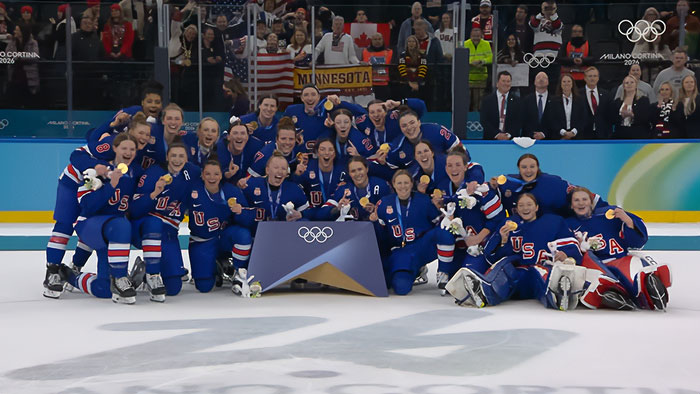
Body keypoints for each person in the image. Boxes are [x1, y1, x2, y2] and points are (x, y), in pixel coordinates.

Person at [41, 112, 151, 300]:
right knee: (65, 225)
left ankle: (75, 269)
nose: (143, 138)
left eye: (147, 135)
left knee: (102, 222)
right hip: (74, 181)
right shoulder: (109, 147)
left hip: (99, 199)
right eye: (140, 133)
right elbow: (77, 154)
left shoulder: (134, 164)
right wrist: (98, 168)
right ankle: (53, 270)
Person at [453, 193, 585, 310]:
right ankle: (483, 293)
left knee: (541, 274)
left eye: (529, 204)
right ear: (516, 209)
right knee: (504, 272)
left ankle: (558, 296)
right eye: (521, 205)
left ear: (537, 207)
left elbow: (571, 244)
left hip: (538, 271)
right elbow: (492, 258)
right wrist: (504, 241)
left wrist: (565, 254)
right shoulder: (508, 224)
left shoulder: (551, 222)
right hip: (518, 274)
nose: (525, 208)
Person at [61, 133, 140, 304]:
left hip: (113, 232)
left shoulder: (135, 174)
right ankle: (119, 278)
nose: (128, 152)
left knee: (104, 290)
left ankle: (71, 276)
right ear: (114, 149)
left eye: (132, 149)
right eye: (124, 148)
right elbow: (87, 203)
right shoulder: (96, 171)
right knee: (121, 224)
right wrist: (110, 185)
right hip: (89, 226)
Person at [566, 187, 671, 310]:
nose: (581, 203)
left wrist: (628, 221)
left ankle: (647, 289)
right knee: (597, 277)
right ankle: (612, 293)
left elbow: (638, 242)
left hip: (620, 260)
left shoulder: (609, 214)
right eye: (576, 200)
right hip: (594, 265)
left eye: (584, 199)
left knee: (633, 274)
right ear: (571, 205)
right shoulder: (567, 224)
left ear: (591, 202)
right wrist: (580, 247)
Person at [130, 141, 201, 298]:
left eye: (181, 156)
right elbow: (134, 209)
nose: (177, 159)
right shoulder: (153, 174)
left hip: (169, 233)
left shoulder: (192, 173)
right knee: (154, 223)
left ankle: (142, 270)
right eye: (173, 155)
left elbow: (211, 177)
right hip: (144, 228)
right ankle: (153, 273)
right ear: (167, 157)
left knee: (173, 288)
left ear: (187, 158)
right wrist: (154, 193)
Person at [371, 170, 454, 295]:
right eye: (399, 183)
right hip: (400, 252)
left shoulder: (424, 200)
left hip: (420, 247)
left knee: (444, 232)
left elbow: (438, 223)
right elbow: (382, 237)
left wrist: (441, 211)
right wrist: (375, 222)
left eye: (406, 182)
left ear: (411, 184)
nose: (403, 186)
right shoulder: (384, 203)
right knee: (401, 288)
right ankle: (416, 271)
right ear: (393, 184)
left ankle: (444, 273)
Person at [432, 148, 504, 289]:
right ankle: (444, 271)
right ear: (445, 168)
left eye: (458, 165)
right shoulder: (444, 190)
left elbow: (498, 219)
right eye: (450, 165)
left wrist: (478, 238)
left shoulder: (480, 189)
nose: (454, 169)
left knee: (469, 278)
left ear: (466, 167)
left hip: (481, 246)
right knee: (441, 231)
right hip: (462, 245)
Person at [186, 160, 257, 296]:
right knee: (204, 286)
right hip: (202, 241)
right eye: (208, 174)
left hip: (224, 237)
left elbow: (249, 219)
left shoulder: (231, 191)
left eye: (216, 174)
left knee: (243, 235)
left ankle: (239, 271)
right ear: (202, 175)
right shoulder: (192, 189)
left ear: (221, 176)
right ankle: (216, 265)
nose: (212, 177)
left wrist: (240, 212)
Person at [491, 153, 606, 218]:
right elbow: (488, 190)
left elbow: (581, 194)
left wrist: (606, 209)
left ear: (538, 167)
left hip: (553, 229)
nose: (528, 171)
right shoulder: (508, 182)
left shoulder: (552, 183)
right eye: (524, 167)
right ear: (518, 168)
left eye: (532, 167)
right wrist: (492, 185)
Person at [242, 152, 309, 234]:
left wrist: (299, 215)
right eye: (276, 167)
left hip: (285, 235)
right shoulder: (251, 185)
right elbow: (241, 212)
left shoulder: (295, 189)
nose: (280, 171)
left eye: (284, 169)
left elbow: (306, 214)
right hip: (257, 235)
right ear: (267, 170)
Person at [319, 156, 391, 222]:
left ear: (367, 169)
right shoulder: (343, 190)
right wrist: (337, 208)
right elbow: (322, 214)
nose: (357, 174)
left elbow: (393, 210)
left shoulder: (382, 185)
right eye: (353, 171)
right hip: (352, 233)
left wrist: (377, 210)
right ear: (349, 173)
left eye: (360, 169)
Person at [386, 110, 461, 169]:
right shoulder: (395, 147)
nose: (409, 127)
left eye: (412, 123)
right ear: (400, 128)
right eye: (404, 125)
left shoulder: (437, 131)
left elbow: (462, 153)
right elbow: (394, 175)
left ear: (419, 122)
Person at [294, 138, 347, 220]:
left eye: (330, 150)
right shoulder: (307, 172)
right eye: (322, 149)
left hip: (336, 216)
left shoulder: (343, 173)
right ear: (317, 153)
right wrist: (297, 175)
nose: (326, 153)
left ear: (335, 153)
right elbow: (295, 193)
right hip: (311, 218)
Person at [529, 1, 563, 91]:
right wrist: (542, 13)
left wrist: (552, 14)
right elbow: (532, 24)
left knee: (553, 82)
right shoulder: (537, 20)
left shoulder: (558, 21)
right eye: (547, 8)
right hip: (539, 56)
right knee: (539, 79)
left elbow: (557, 25)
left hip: (554, 56)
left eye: (552, 8)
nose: (549, 10)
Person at [480, 71, 523, 140]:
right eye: (503, 81)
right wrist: (497, 135)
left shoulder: (517, 101)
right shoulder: (487, 100)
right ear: (497, 83)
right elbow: (484, 120)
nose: (506, 84)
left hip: (511, 140)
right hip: (491, 140)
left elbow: (519, 121)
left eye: (508, 81)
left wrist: (508, 135)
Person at [4, 25, 38, 106]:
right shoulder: (12, 42)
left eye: (17, 30)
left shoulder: (33, 43)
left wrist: (18, 57)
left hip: (28, 77)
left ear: (22, 32)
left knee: (28, 102)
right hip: (13, 75)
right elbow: (6, 55)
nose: (14, 32)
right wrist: (20, 57)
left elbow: (34, 56)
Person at [549, 73, 587, 140]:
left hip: (577, 137)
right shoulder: (553, 101)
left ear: (572, 84)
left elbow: (583, 118)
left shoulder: (580, 100)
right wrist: (564, 133)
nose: (566, 83)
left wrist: (573, 132)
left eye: (569, 81)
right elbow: (552, 119)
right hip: (559, 137)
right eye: (564, 81)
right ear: (560, 84)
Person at [464, 27, 492, 112]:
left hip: (481, 78)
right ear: (470, 36)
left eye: (478, 36)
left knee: (478, 102)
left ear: (481, 36)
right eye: (474, 36)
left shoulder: (486, 44)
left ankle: (477, 119)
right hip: (467, 78)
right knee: (467, 101)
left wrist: (482, 61)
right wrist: (470, 62)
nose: (476, 38)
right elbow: (460, 57)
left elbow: (491, 58)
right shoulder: (465, 44)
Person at [558, 24, 593, 89]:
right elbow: (560, 59)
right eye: (575, 32)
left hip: (585, 79)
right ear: (571, 33)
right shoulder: (565, 44)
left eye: (579, 32)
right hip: (568, 78)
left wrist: (582, 61)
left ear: (583, 33)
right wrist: (572, 60)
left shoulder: (589, 44)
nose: (577, 34)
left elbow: (593, 58)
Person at [582, 67, 612, 139]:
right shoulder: (578, 94)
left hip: (602, 134)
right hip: (583, 134)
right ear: (585, 78)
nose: (592, 78)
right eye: (590, 76)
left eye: (595, 76)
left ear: (598, 78)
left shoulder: (606, 94)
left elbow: (609, 115)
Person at [522, 71, 554, 139]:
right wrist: (532, 134)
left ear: (548, 82)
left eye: (544, 78)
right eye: (538, 77)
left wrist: (543, 134)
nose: (541, 79)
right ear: (534, 82)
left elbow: (555, 120)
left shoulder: (555, 101)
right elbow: (523, 120)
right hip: (529, 140)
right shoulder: (526, 100)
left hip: (549, 140)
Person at [362, 33, 393, 101]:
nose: (377, 41)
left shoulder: (390, 52)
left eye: (379, 39)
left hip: (384, 85)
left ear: (383, 40)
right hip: (369, 85)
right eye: (375, 39)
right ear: (371, 41)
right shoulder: (365, 51)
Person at [398, 35, 428, 101]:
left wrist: (417, 82)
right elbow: (401, 68)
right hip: (406, 82)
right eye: (409, 41)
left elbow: (423, 68)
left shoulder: (422, 55)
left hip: (419, 83)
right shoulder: (403, 55)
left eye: (413, 42)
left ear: (416, 43)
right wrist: (409, 82)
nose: (411, 43)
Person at [201, 26, 225, 111]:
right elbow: (209, 59)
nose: (211, 36)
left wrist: (216, 59)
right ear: (203, 35)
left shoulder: (216, 44)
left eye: (212, 34)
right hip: (202, 77)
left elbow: (219, 58)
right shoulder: (199, 45)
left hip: (215, 76)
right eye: (209, 34)